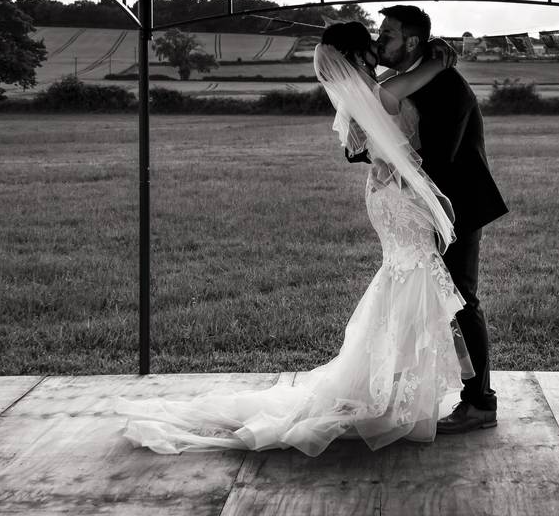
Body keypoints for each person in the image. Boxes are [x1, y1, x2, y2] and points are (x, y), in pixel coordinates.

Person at [114, 22, 475, 456]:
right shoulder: (381, 90)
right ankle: (400, 388)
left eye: (385, 39)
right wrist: (437, 60)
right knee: (417, 280)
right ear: (360, 55)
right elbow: (403, 136)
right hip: (398, 197)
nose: (379, 47)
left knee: (407, 282)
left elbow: (370, 147)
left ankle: (394, 385)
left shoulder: (360, 89)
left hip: (386, 197)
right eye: (373, 43)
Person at [357, 5, 508, 434]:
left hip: (455, 207)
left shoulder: (448, 85)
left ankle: (480, 403)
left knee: (460, 299)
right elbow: (360, 145)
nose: (379, 40)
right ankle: (417, 392)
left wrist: (395, 168)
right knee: (426, 302)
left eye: (387, 34)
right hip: (418, 205)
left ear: (411, 42)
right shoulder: (402, 80)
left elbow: (442, 156)